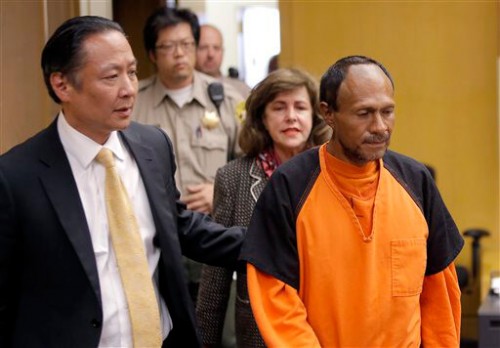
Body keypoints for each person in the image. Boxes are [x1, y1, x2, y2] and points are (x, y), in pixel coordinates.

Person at [0, 16, 245, 348]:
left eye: (131, 72)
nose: (129, 89)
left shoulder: (152, 146)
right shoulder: (16, 177)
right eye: (111, 77)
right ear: (62, 85)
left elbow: (178, 226)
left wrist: (270, 243)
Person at [240, 55, 464, 347]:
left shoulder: (416, 181)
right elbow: (276, 299)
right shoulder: (289, 187)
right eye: (364, 113)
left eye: (388, 111)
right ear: (328, 113)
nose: (380, 126)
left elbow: (439, 296)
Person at [196, 68, 331, 348]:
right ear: (262, 118)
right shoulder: (233, 177)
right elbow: (215, 277)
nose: (291, 116)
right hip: (259, 331)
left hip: (324, 328)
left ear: (315, 117)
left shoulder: (333, 173)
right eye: (279, 107)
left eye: (300, 107)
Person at [132, 7, 245, 303]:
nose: (179, 53)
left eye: (186, 44)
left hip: (214, 230)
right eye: (168, 47)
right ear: (153, 55)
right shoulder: (133, 104)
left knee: (218, 326)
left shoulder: (228, 99)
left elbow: (250, 166)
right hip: (155, 234)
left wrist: (219, 192)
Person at [196, 24, 251, 98]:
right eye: (203, 48)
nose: (211, 54)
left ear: (222, 51)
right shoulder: (182, 89)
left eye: (216, 48)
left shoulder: (241, 90)